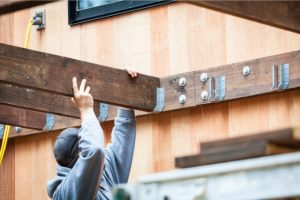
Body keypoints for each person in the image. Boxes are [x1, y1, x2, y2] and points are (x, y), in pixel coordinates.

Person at [47, 69, 138, 200]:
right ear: (81, 158)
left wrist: (125, 89)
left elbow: (123, 138)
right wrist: (86, 110)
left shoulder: (104, 173)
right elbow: (94, 151)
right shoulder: (67, 193)